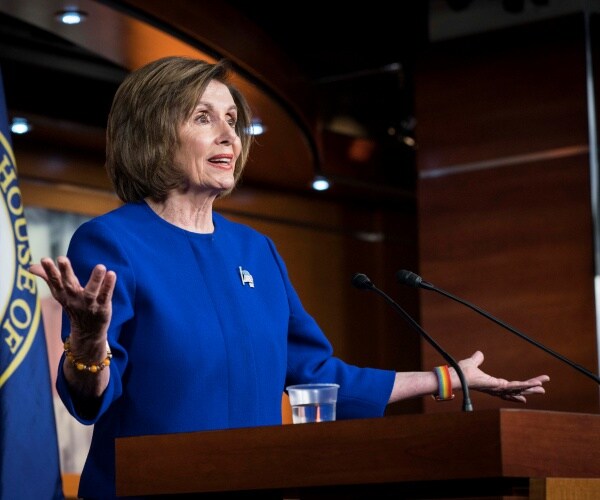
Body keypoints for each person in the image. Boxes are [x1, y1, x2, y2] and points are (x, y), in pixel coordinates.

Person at [29, 56, 549, 499]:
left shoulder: (256, 251)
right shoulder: (113, 242)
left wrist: (444, 379)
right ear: (153, 131)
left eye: (233, 119)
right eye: (203, 117)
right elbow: (90, 399)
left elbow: (315, 375)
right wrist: (88, 338)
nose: (229, 134)